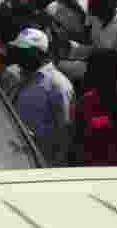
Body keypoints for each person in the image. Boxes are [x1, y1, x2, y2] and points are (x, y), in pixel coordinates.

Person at [7, 28, 75, 166]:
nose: (18, 55)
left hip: (40, 164)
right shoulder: (16, 75)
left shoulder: (58, 85)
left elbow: (65, 133)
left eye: (23, 51)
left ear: (39, 53)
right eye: (17, 49)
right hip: (15, 158)